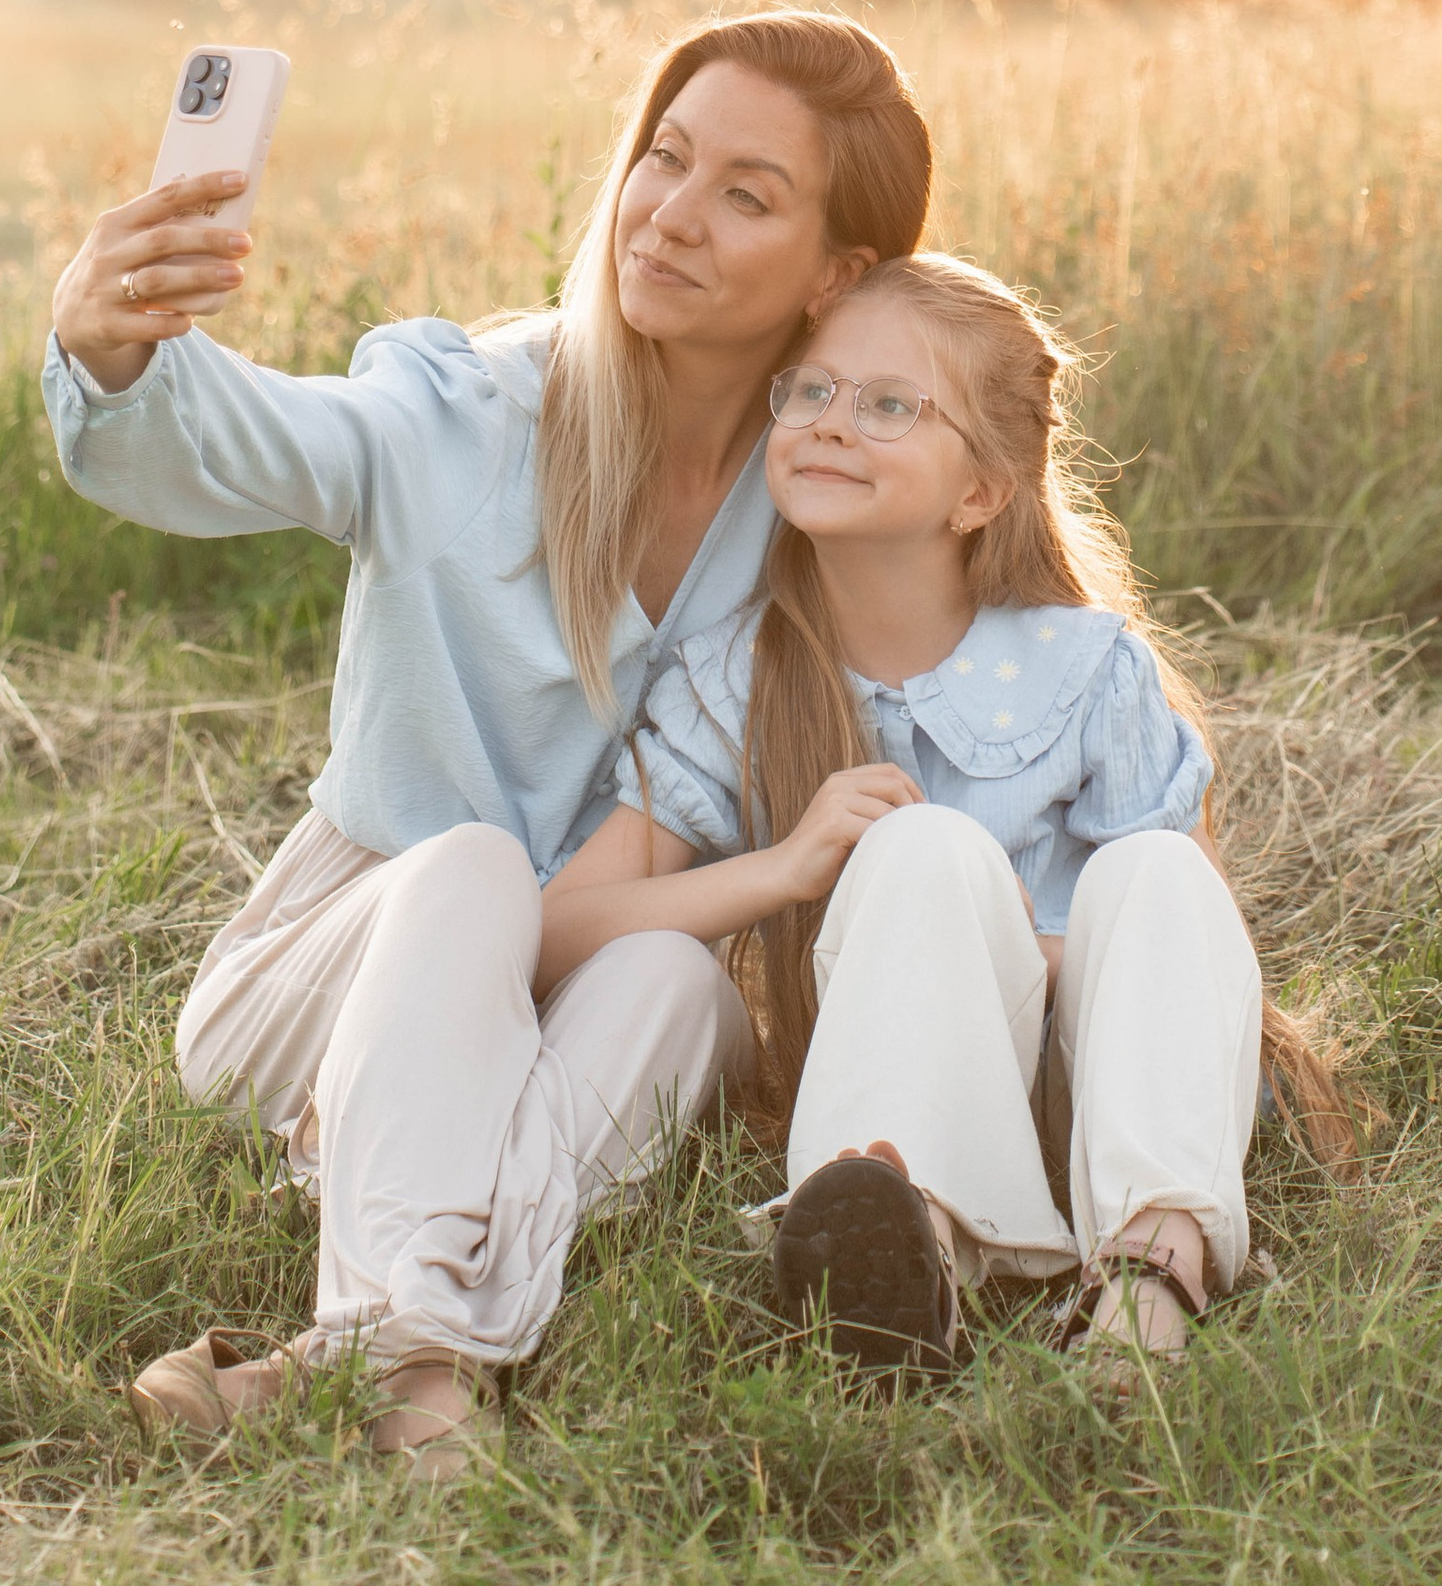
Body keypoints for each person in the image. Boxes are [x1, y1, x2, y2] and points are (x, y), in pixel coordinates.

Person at [43, 6, 932, 1471]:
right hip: (340, 957)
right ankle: (414, 1354)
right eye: (665, 158)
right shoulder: (471, 406)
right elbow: (290, 437)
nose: (670, 214)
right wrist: (118, 351)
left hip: (576, 971)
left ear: (838, 271)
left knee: (682, 990)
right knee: (467, 869)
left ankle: (374, 1351)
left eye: (745, 194)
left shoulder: (812, 500)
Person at [537, 250, 1351, 1382]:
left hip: (1098, 1096)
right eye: (810, 390)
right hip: (901, 1093)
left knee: (1157, 874)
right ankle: (899, 1252)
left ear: (979, 492)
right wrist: (779, 869)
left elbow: (1191, 952)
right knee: (919, 847)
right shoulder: (733, 678)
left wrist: (1026, 953)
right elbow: (554, 931)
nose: (828, 424)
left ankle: (1148, 1275)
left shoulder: (1086, 668)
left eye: (887, 407)